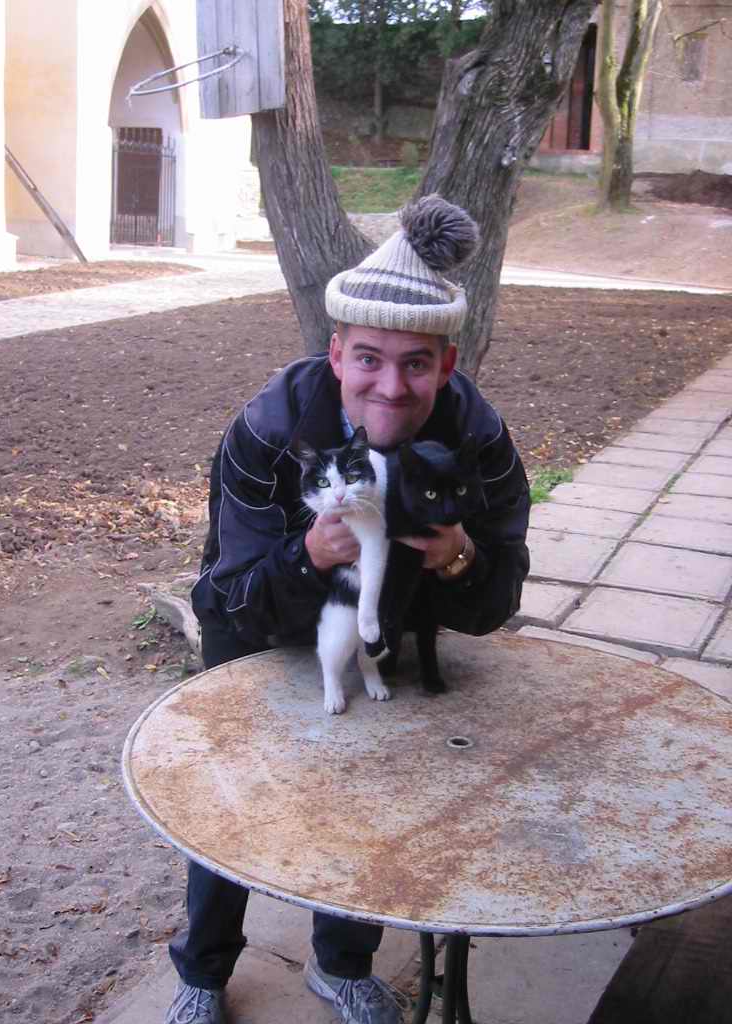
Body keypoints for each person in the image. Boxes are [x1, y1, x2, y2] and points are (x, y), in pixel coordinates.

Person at [165, 196, 530, 1024]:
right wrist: (308, 555)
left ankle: (343, 964)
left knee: (371, 792)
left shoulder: (478, 439)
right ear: (336, 353)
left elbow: (498, 598)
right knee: (233, 793)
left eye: (417, 365)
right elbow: (224, 596)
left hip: (376, 631)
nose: (391, 387)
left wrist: (458, 557)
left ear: (448, 362)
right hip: (257, 631)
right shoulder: (269, 428)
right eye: (369, 358)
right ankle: (204, 970)